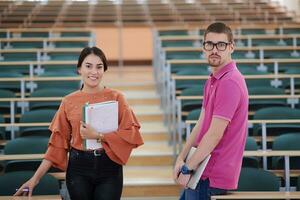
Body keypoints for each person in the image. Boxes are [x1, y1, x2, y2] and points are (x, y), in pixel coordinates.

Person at [14, 46, 144, 200]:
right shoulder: (68, 101)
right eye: (88, 66)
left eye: (99, 67)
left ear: (104, 70)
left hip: (110, 167)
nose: (94, 72)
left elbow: (131, 134)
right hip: (78, 169)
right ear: (79, 69)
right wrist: (34, 180)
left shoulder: (117, 97)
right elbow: (56, 144)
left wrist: (99, 136)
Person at [173, 22, 249, 200]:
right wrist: (181, 158)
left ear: (231, 47)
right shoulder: (214, 80)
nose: (215, 50)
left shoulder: (230, 82)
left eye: (221, 45)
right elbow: (200, 124)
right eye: (210, 44)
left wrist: (187, 167)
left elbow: (214, 135)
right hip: (200, 169)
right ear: (204, 47)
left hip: (211, 176)